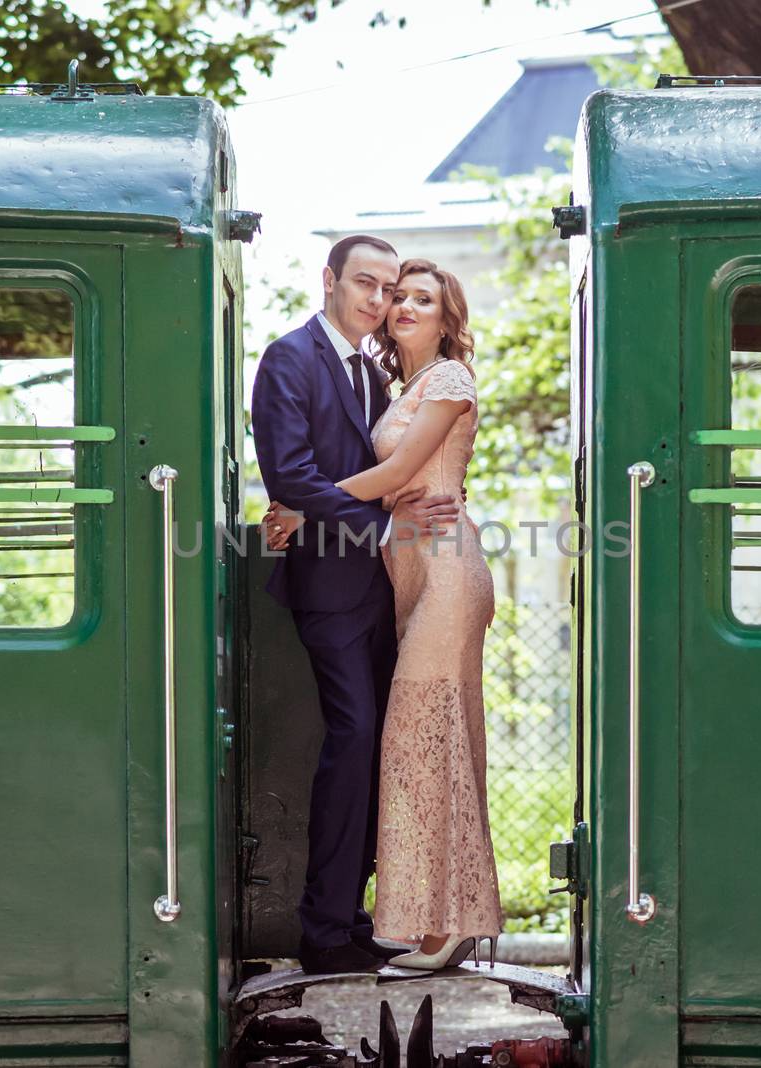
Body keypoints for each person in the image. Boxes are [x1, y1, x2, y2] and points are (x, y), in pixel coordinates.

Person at [266, 258, 502, 971]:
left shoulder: (449, 379)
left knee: (423, 738)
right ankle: (426, 916)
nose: (399, 304)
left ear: (445, 316)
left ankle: (449, 922)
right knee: (420, 741)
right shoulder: (391, 384)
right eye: (396, 294)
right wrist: (349, 503)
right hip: (404, 577)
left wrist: (302, 504)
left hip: (447, 576)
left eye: (419, 298)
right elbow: (392, 490)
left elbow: (400, 477)